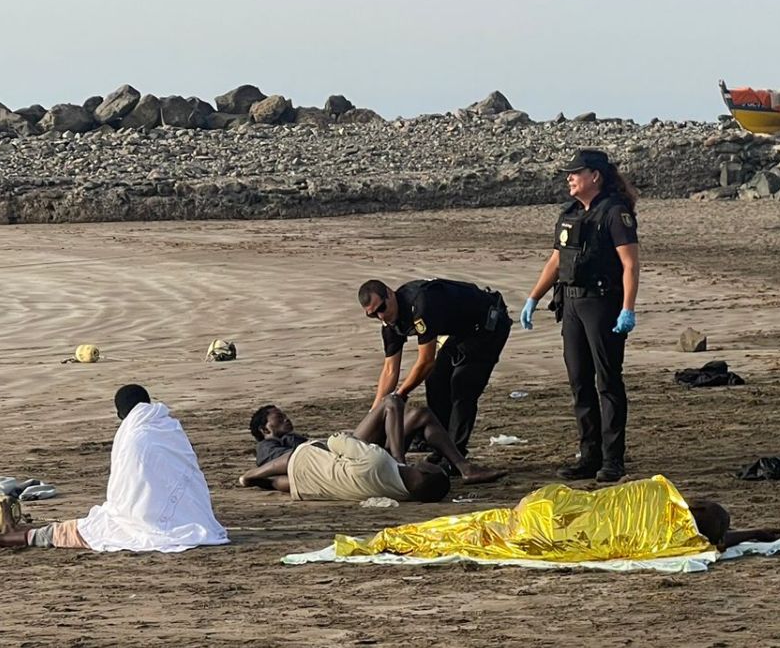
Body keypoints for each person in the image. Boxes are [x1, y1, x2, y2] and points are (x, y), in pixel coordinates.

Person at [0, 384, 230, 549]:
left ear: (120, 412)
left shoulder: (133, 433)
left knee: (88, 530)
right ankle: (15, 532)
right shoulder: (169, 427)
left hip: (148, 525)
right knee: (90, 523)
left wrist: (119, 512)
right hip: (194, 518)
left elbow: (124, 494)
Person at [520, 149, 640, 482]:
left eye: (576, 172)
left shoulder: (615, 214)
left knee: (608, 381)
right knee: (579, 382)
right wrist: (533, 297)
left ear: (595, 176)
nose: (569, 178)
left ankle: (613, 460)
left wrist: (627, 308)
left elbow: (630, 265)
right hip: (571, 304)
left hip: (603, 305)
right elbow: (556, 260)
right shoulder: (570, 213)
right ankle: (589, 455)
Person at [358, 277, 510, 459]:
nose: (381, 316)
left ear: (390, 294)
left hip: (489, 323)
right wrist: (375, 411)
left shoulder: (421, 305)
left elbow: (426, 361)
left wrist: (400, 395)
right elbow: (390, 369)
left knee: (462, 384)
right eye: (373, 315)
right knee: (436, 380)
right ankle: (442, 447)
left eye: (381, 308)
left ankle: (455, 455)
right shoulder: (390, 324)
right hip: (461, 331)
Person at [239, 397, 501, 499]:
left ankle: (464, 468)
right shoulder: (269, 446)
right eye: (279, 417)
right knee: (393, 404)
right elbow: (286, 461)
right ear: (265, 429)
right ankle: (402, 457)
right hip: (348, 459)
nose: (286, 418)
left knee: (418, 413)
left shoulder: (293, 438)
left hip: (348, 461)